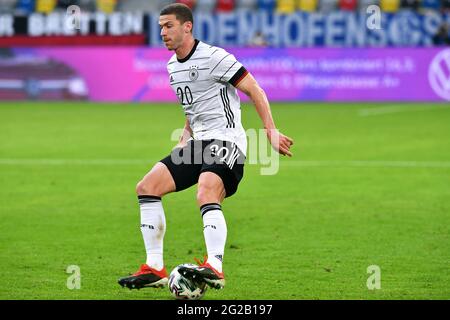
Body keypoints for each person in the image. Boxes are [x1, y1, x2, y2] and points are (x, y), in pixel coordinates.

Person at [118, 3, 294, 291]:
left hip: (227, 141)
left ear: (187, 26)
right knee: (147, 187)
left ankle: (215, 266)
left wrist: (270, 131)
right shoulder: (172, 66)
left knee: (206, 190)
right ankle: (154, 268)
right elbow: (193, 106)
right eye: (160, 26)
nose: (162, 32)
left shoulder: (214, 57)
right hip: (199, 143)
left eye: (168, 25)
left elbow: (255, 90)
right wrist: (186, 133)